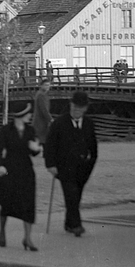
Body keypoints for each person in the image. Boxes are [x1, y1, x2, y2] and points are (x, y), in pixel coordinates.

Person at [44, 91, 99, 237]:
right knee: (71, 194)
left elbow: (93, 149)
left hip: (83, 168)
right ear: (70, 105)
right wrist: (50, 165)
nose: (76, 110)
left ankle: (69, 223)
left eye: (80, 108)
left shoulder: (88, 124)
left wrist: (90, 165)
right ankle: (76, 225)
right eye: (74, 107)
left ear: (85, 108)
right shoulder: (59, 123)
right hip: (64, 167)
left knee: (76, 196)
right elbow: (49, 145)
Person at [0, 103, 41, 251]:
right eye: (28, 113)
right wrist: (0, 165)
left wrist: (36, 149)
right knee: (6, 202)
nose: (30, 116)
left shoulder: (30, 130)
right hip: (9, 169)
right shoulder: (6, 130)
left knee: (28, 204)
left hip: (26, 170)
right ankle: (2, 231)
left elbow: (34, 151)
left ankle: (27, 238)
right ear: (21, 115)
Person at [33, 75, 53, 146]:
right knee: (43, 140)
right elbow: (44, 109)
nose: (47, 87)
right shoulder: (41, 95)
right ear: (41, 86)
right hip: (41, 122)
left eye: (49, 85)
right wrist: (50, 119)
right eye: (46, 85)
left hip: (40, 121)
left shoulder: (41, 94)